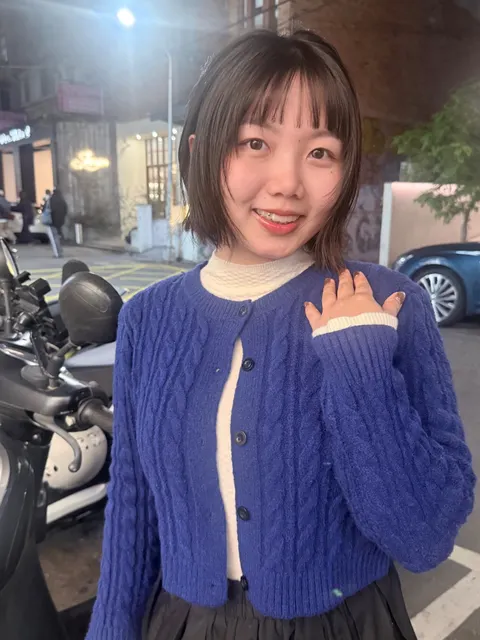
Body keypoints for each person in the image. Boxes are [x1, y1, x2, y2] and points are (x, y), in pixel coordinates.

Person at [86, 29, 476, 640]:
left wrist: (361, 367)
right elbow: (133, 506)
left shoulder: (388, 304)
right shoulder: (148, 318)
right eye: (255, 143)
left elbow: (424, 537)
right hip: (185, 624)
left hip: (346, 624)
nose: (288, 182)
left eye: (320, 152)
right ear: (201, 152)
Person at [47, 187, 67, 258]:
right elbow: (65, 209)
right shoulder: (62, 200)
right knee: (58, 235)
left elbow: (49, 209)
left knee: (54, 237)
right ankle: (60, 250)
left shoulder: (51, 199)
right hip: (60, 221)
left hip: (52, 221)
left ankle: (57, 253)